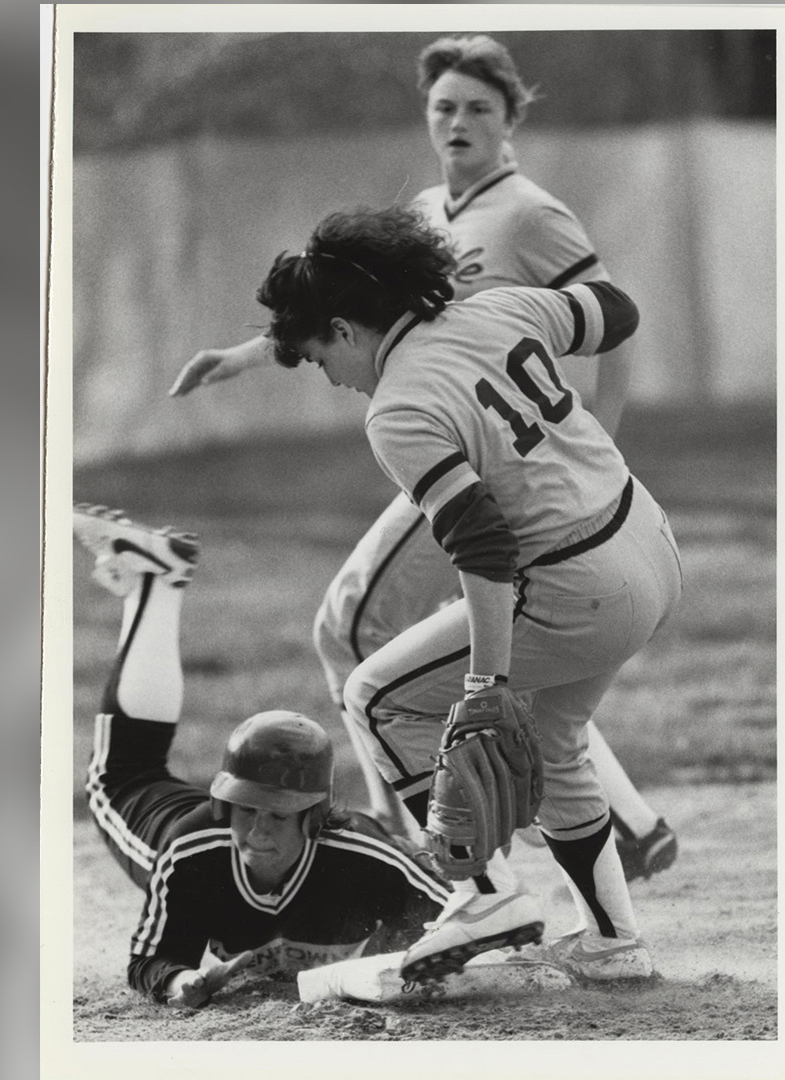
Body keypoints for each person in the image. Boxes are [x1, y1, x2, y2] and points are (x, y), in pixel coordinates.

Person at [169, 34, 678, 882]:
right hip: (459, 445)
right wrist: (247, 354)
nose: (457, 122)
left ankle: (423, 846)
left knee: (362, 632)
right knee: (466, 648)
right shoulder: (436, 216)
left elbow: (613, 318)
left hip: (488, 456)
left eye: (479, 106)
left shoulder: (528, 213)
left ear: (513, 118)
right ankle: (610, 823)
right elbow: (343, 319)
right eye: (443, 106)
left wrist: (597, 441)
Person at [252, 203, 682, 982]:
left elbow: (483, 546)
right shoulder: (497, 306)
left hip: (578, 586)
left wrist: (486, 683)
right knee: (553, 738)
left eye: (320, 357)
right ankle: (614, 942)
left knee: (374, 696)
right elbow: (617, 311)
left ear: (347, 330)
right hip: (651, 544)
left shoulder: (397, 409)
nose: (334, 378)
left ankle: (487, 893)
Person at [73, 504, 451, 1008]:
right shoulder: (192, 855)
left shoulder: (364, 857)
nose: (257, 831)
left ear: (316, 819)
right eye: (245, 809)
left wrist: (391, 959)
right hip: (174, 831)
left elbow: (460, 921)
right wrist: (181, 982)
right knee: (116, 776)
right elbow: (149, 962)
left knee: (123, 772)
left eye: (278, 815)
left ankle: (157, 582)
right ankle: (155, 587)